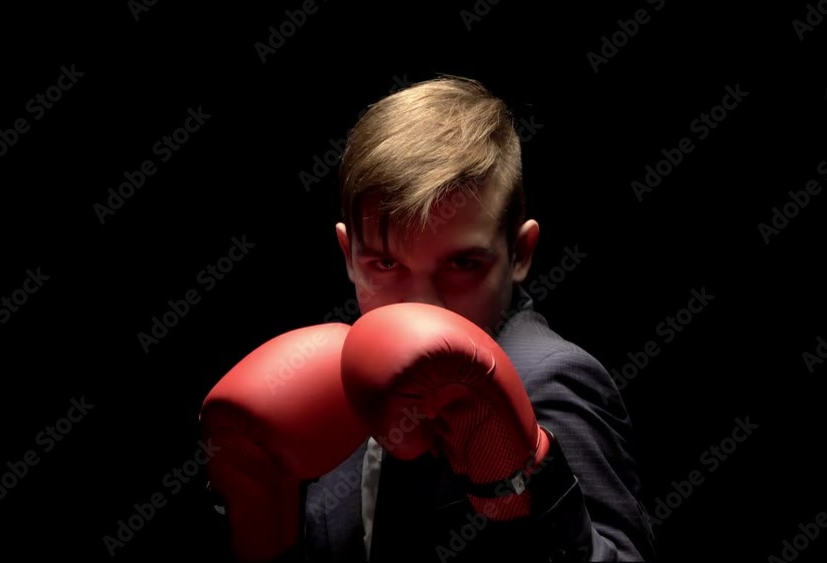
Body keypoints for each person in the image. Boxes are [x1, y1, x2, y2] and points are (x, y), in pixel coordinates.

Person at [201, 75, 656, 562]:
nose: (420, 303)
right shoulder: (334, 385)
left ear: (520, 252)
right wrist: (255, 509)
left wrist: (528, 486)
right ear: (348, 256)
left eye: (462, 264)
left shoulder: (550, 377)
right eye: (386, 264)